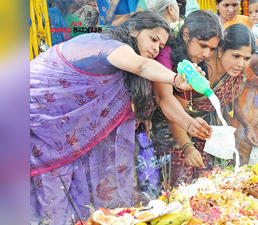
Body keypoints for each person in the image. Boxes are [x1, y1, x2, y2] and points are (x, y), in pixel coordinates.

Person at [30, 11, 203, 224]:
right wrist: (177, 79)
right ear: (132, 30)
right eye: (153, 38)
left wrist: (189, 123)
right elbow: (143, 66)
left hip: (66, 134)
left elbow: (160, 97)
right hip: (34, 114)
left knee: (73, 194)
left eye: (161, 44)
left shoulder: (131, 65)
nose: (157, 48)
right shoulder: (112, 45)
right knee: (49, 192)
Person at [152, 22, 255, 187]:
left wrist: (245, 126)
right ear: (220, 50)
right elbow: (174, 112)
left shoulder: (235, 74)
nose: (241, 64)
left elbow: (224, 102)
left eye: (247, 58)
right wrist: (187, 147)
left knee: (213, 183)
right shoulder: (198, 72)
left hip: (205, 127)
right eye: (236, 56)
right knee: (182, 186)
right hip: (176, 127)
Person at [151, 10, 223, 187]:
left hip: (180, 127)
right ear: (185, 34)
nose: (206, 53)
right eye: (202, 45)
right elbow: (165, 99)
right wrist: (188, 134)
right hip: (160, 134)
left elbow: (182, 104)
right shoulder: (165, 55)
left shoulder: (195, 61)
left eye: (211, 48)